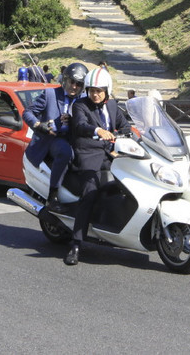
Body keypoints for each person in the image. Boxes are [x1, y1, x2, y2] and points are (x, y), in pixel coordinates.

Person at [65, 66, 131, 266]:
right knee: (90, 193)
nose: (95, 94)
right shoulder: (80, 106)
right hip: (88, 154)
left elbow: (125, 125)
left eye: (99, 90)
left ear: (107, 91)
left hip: (110, 153)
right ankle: (76, 244)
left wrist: (131, 136)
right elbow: (80, 126)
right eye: (92, 90)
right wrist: (98, 130)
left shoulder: (112, 106)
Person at [20, 62, 87, 214]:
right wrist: (39, 125)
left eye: (79, 84)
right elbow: (27, 113)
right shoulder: (50, 94)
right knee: (65, 152)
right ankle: (53, 197)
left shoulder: (83, 99)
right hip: (51, 138)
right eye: (72, 82)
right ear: (65, 80)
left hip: (75, 138)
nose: (74, 86)